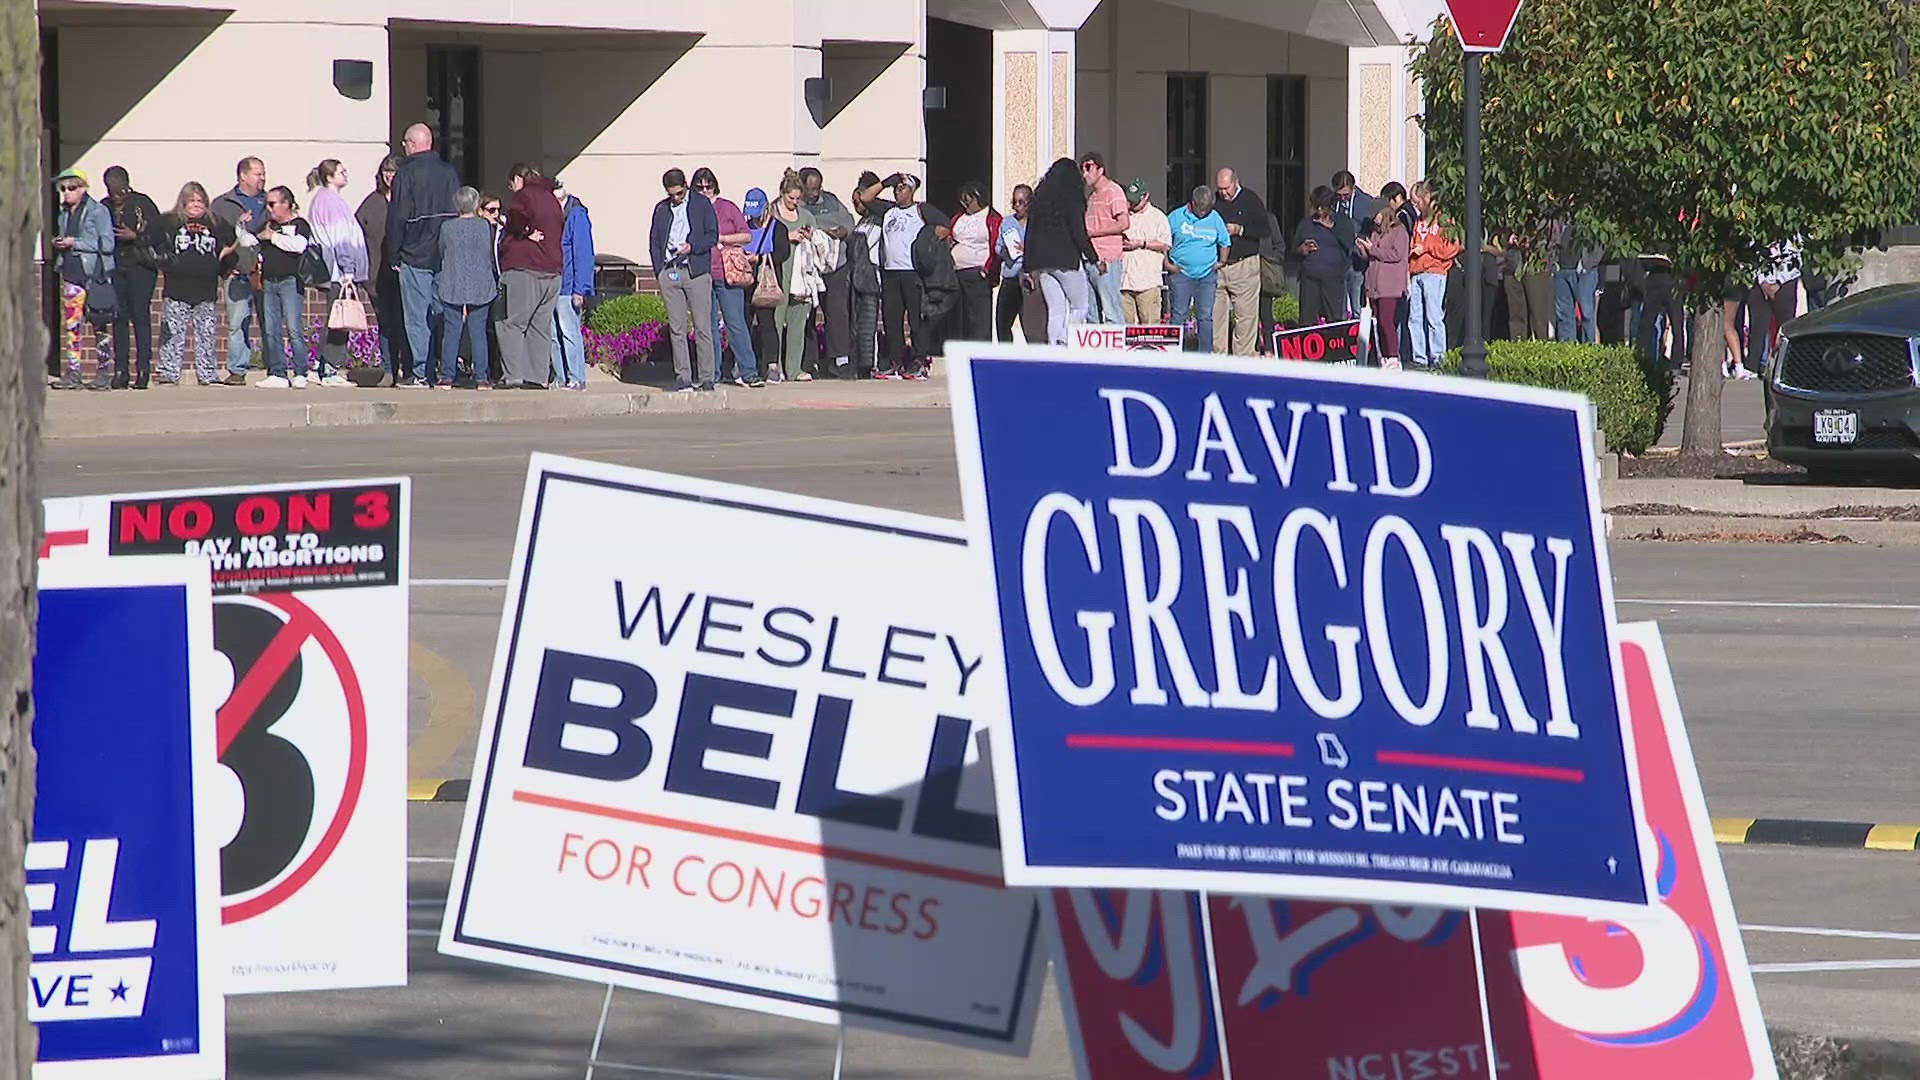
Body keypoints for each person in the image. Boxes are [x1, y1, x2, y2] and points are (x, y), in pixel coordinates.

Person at [387, 122, 461, 386]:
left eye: (405, 143)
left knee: (417, 316)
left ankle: (421, 372)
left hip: (414, 253)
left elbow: (397, 217)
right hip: (444, 252)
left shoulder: (405, 174)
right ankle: (446, 367)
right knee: (443, 313)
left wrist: (393, 254)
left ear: (414, 144)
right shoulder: (449, 172)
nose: (404, 148)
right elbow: (458, 212)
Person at [155, 182, 235, 387]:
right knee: (172, 333)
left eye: (200, 200)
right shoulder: (168, 222)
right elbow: (155, 245)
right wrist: (165, 262)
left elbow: (233, 243)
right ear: (183, 202)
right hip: (176, 288)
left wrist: (226, 265)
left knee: (206, 334)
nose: (196, 205)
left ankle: (207, 373)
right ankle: (168, 373)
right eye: (191, 200)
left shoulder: (216, 223)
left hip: (206, 289)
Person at [648, 167, 719, 392]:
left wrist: (693, 247)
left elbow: (712, 235)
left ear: (686, 187)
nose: (676, 198)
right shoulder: (661, 209)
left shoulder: (701, 204)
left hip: (696, 270)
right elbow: (655, 240)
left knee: (702, 326)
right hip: (671, 271)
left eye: (679, 193)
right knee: (677, 328)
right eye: (672, 194)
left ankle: (707, 377)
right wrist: (659, 270)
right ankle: (683, 376)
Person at [875, 172, 949, 378]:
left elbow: (945, 225)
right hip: (891, 271)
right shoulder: (889, 211)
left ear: (912, 190)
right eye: (896, 188)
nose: (898, 191)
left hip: (912, 272)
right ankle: (895, 360)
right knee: (892, 319)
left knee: (916, 319)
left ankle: (919, 360)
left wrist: (927, 245)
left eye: (902, 188)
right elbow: (865, 198)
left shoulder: (920, 209)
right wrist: (884, 183)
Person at [51, 168, 117, 390]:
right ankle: (73, 372)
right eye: (63, 188)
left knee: (99, 323)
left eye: (72, 188)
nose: (67, 193)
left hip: (94, 274)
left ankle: (103, 372)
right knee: (72, 325)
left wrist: (74, 242)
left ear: (83, 188)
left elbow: (107, 244)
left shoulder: (98, 211)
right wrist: (60, 243)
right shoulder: (64, 213)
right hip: (71, 273)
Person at [498, 173, 565, 390]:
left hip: (524, 267)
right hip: (552, 270)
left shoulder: (525, 196)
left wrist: (523, 231)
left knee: (511, 323)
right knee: (540, 326)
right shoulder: (552, 200)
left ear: (519, 179)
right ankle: (538, 377)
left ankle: (513, 376)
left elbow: (516, 217)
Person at [697, 167, 761, 387]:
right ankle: (711, 374)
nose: (705, 191)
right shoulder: (693, 210)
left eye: (709, 186)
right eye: (700, 187)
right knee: (708, 326)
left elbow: (746, 235)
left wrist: (722, 238)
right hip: (702, 273)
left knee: (735, 323)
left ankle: (749, 371)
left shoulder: (728, 207)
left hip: (728, 273)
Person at [1023, 158, 1098, 345]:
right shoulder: (1072, 198)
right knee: (1079, 306)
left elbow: (1030, 234)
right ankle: (1068, 343)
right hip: (1066, 261)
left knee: (1056, 310)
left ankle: (1055, 347)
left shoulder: (1039, 201)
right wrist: (1093, 257)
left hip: (1043, 264)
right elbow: (1078, 232)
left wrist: (1028, 265)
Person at [306, 158, 367, 388]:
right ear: (329, 177)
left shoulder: (326, 200)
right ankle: (329, 369)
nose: (346, 174)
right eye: (341, 171)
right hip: (339, 272)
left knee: (336, 317)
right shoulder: (330, 202)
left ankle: (320, 367)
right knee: (340, 320)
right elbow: (341, 238)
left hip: (337, 271)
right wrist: (348, 270)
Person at [210, 156, 266, 384]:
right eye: (258, 173)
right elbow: (216, 240)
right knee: (238, 322)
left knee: (269, 322)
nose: (262, 177)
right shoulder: (223, 204)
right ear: (243, 175)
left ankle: (275, 369)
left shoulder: (271, 201)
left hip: (266, 273)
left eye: (263, 173)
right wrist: (225, 268)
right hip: (237, 272)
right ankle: (237, 370)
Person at [437, 187, 499, 391]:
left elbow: (441, 250)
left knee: (451, 332)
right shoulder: (484, 226)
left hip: (453, 281)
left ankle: (447, 377)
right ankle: (482, 378)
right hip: (480, 283)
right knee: (478, 332)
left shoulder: (447, 227)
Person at [103, 166, 160, 389]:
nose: (117, 196)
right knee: (118, 319)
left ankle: (143, 370)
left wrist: (135, 236)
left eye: (121, 190)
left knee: (140, 317)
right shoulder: (104, 207)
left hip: (140, 267)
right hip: (116, 267)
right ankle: (121, 371)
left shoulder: (141, 204)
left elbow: (158, 233)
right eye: (113, 191)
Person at [252, 185, 314, 389]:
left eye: (272, 204)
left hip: (290, 281)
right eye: (266, 205)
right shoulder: (266, 225)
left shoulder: (299, 224)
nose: (269, 209)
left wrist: (273, 237)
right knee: (271, 329)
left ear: (286, 204)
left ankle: (300, 371)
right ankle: (277, 372)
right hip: (269, 281)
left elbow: (298, 245)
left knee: (294, 328)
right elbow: (251, 242)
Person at [800, 167, 856, 378]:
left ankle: (839, 360)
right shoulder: (797, 202)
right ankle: (809, 361)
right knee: (807, 314)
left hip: (835, 266)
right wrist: (824, 228)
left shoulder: (831, 200)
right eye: (811, 189)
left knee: (837, 312)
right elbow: (804, 224)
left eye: (818, 188)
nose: (815, 194)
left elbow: (848, 221)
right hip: (809, 268)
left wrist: (842, 231)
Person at [357, 154, 407, 383]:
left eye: (394, 172)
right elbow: (358, 234)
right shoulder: (372, 202)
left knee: (406, 323)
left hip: (404, 272)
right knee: (386, 323)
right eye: (386, 171)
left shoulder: (408, 200)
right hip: (377, 273)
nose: (389, 176)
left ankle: (408, 369)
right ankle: (389, 369)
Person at [1210, 167, 1270, 355]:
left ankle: (1241, 362)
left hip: (1244, 266)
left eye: (1226, 188)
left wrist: (1240, 229)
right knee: (1216, 317)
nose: (1223, 193)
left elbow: (1264, 229)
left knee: (1245, 318)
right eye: (1220, 189)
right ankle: (1217, 361)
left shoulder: (1251, 200)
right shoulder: (1215, 201)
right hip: (1218, 266)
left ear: (1236, 182)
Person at [1165, 185, 1231, 353]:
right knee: (1178, 315)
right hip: (1181, 274)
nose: (1203, 213)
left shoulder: (1215, 218)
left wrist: (1221, 261)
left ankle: (1205, 357)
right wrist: (1168, 265)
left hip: (1206, 276)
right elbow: (1163, 241)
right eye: (1200, 209)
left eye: (1206, 209)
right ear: (1192, 203)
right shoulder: (1176, 217)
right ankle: (1174, 354)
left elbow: (1224, 241)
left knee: (1205, 317)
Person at [770, 172, 822, 383]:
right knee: (776, 321)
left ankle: (794, 368)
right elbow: (764, 239)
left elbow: (817, 240)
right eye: (790, 198)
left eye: (797, 199)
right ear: (782, 194)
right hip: (779, 273)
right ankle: (776, 368)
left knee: (798, 323)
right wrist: (787, 237)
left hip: (802, 275)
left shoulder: (807, 216)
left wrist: (810, 236)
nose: (794, 202)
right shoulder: (772, 214)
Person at [1406, 181, 1463, 369]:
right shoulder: (1419, 221)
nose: (1415, 206)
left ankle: (1438, 357)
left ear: (1427, 198)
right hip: (1416, 272)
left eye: (1417, 202)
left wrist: (1427, 248)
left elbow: (1451, 248)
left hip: (1435, 272)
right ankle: (1419, 357)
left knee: (1433, 317)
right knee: (1414, 318)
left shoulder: (1443, 220)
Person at [1356, 183, 1411, 370]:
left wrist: (1375, 249)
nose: (1375, 219)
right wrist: (1364, 250)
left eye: (1377, 215)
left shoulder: (1399, 232)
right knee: (1379, 323)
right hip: (1375, 286)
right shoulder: (1376, 233)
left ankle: (1394, 356)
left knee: (1388, 322)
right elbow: (1372, 255)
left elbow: (1396, 254)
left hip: (1390, 286)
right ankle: (1384, 355)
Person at [551, 177, 594, 391]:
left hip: (569, 286)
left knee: (569, 332)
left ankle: (577, 377)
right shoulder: (557, 217)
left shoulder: (576, 215)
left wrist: (580, 288)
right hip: (554, 284)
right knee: (553, 334)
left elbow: (583, 254)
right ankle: (561, 377)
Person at [1079, 152, 1130, 324]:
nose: (1085, 173)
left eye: (1088, 167)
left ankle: (1116, 350)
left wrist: (1094, 232)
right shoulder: (1092, 196)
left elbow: (1124, 223)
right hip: (1089, 259)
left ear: (1100, 169)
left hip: (1106, 259)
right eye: (1082, 169)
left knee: (1111, 311)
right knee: (1091, 312)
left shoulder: (1114, 191)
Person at [1294, 186, 1356, 325]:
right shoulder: (1306, 224)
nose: (1319, 211)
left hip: (1333, 279)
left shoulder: (1342, 222)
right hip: (1310, 278)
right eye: (1317, 207)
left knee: (1334, 318)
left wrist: (1330, 226)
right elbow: (1293, 250)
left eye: (1323, 207)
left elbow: (1349, 244)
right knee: (1306, 319)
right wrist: (1302, 249)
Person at [948, 181, 1001, 343]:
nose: (965, 205)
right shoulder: (959, 218)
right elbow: (949, 233)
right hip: (956, 272)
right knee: (959, 319)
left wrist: (988, 270)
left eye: (968, 200)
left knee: (978, 319)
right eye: (963, 201)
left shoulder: (991, 218)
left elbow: (996, 246)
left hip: (977, 273)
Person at [1118, 178, 1170, 325]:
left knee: (1149, 328)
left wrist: (1142, 244)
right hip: (1124, 282)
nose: (1132, 205)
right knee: (1126, 329)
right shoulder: (1124, 215)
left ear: (1146, 196)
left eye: (1136, 201)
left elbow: (1165, 244)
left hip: (1147, 282)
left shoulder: (1158, 217)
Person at [1744, 241, 1800, 376]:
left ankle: (1788, 366)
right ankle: (1752, 366)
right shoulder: (1756, 235)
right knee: (1757, 326)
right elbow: (1751, 256)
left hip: (1785, 282)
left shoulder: (1790, 238)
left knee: (1786, 326)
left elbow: (1795, 261)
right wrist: (1762, 281)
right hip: (1760, 282)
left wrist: (1778, 282)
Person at [848, 175, 885, 377]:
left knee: (869, 324)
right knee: (858, 325)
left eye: (858, 201)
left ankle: (870, 364)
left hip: (872, 278)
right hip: (856, 278)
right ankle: (859, 363)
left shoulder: (882, 217)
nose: (856, 205)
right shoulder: (862, 221)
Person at [1550, 209, 1605, 344]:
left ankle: (1588, 351)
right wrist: (1553, 264)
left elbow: (1601, 243)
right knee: (1564, 316)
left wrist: (1587, 266)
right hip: (1562, 270)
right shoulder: (1561, 215)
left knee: (1587, 315)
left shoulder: (1593, 216)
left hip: (1583, 272)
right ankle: (1568, 352)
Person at [994, 183, 1041, 342]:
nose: (1017, 206)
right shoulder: (1007, 222)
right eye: (1014, 202)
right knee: (1002, 322)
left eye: (1021, 202)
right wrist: (1005, 251)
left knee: (1032, 326)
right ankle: (1005, 360)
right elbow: (998, 247)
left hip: (1030, 277)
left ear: (1029, 203)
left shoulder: (1037, 222)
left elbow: (1045, 248)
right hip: (1011, 276)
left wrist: (1027, 248)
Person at [1332, 170, 1377, 317]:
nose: (1343, 199)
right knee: (1340, 306)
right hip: (1338, 259)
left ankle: (1360, 335)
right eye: (1340, 195)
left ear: (1353, 188)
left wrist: (1362, 239)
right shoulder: (1333, 203)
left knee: (1357, 304)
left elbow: (1372, 227)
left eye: (1346, 195)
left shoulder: (1365, 203)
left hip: (1357, 260)